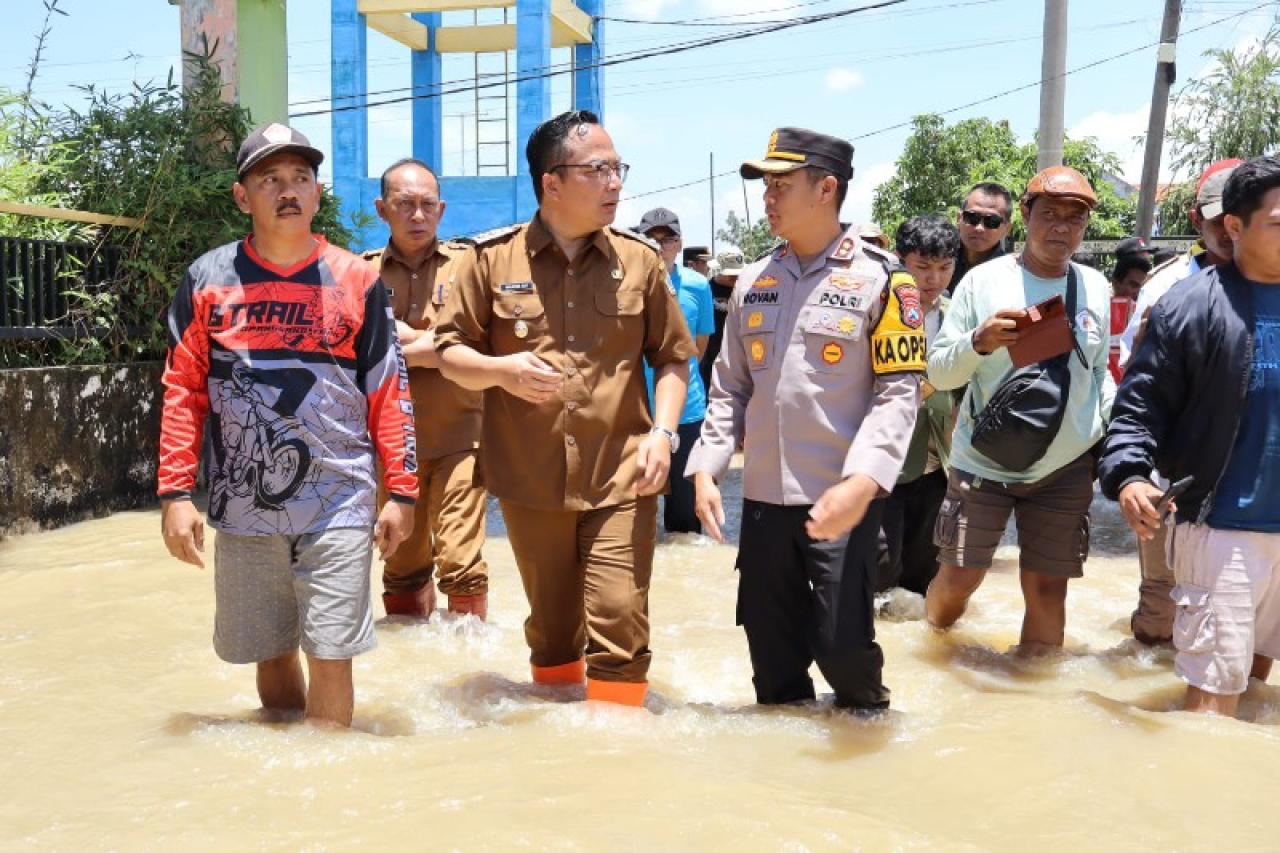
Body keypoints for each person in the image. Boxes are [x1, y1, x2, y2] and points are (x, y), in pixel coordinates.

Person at [157, 123, 417, 727]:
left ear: (317, 192)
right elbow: (182, 392)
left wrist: (401, 491)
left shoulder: (358, 280)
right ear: (242, 197)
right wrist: (174, 494)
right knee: (270, 653)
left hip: (341, 500)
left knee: (332, 654)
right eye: (270, 178)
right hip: (243, 503)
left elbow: (388, 391)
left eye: (300, 177)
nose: (288, 190)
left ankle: (326, 788)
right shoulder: (206, 280)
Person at [434, 110, 695, 707]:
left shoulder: (640, 262)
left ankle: (619, 753)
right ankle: (564, 767)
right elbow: (449, 353)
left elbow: (675, 358)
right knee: (551, 636)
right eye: (598, 169)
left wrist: (662, 431)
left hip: (623, 472)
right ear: (552, 182)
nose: (615, 183)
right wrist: (502, 371)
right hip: (531, 478)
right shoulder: (489, 260)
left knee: (619, 619)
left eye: (617, 168)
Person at [686, 126, 924, 711]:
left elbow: (900, 394)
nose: (767, 196)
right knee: (773, 664)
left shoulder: (885, 282)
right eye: (766, 184)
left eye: (781, 184)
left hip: (841, 501)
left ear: (826, 189)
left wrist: (864, 483)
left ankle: (869, 749)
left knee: (844, 650)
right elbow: (729, 387)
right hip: (765, 506)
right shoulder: (752, 280)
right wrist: (707, 468)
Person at [1099, 155, 1280, 718]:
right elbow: (1139, 407)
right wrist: (1128, 475)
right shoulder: (1189, 306)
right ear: (1234, 227)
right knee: (1211, 710)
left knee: (1254, 682)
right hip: (1220, 526)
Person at [926, 166, 1115, 651]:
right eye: (1049, 214)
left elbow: (1098, 373)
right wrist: (979, 341)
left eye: (1074, 218)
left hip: (1066, 466)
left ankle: (1034, 698)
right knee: (958, 581)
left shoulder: (1095, 286)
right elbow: (942, 374)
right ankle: (931, 651)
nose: (1061, 227)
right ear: (1025, 217)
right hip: (984, 461)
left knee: (1050, 591)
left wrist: (1116, 438)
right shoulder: (982, 283)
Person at [1116, 158, 1241, 645]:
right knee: (1162, 591)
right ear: (1197, 221)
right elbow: (1133, 387)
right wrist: (1136, 472)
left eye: (1240, 218)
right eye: (1219, 221)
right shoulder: (1168, 290)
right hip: (1173, 466)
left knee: (1248, 602)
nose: (1230, 232)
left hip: (1247, 475)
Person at [362, 158, 489, 620]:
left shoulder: (471, 265)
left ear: (441, 209)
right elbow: (360, 352)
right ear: (382, 209)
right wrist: (439, 345)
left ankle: (467, 672)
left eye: (427, 206)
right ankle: (411, 664)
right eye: (404, 205)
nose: (417, 216)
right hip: (391, 444)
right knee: (400, 562)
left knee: (461, 562)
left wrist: (399, 340)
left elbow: (481, 341)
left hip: (462, 436)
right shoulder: (362, 275)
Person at [876, 215, 960, 596]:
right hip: (883, 461)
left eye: (944, 268)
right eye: (922, 267)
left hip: (937, 462)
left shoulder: (959, 314)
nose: (934, 280)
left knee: (920, 579)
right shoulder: (877, 308)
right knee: (879, 567)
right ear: (899, 261)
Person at [637, 207, 714, 534]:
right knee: (633, 518)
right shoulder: (624, 285)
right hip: (635, 415)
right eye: (650, 240)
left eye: (667, 239)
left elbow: (699, 348)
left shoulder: (698, 285)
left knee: (684, 524)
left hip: (687, 413)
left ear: (680, 244)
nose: (659, 246)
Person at [948, 181, 1012, 293]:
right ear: (959, 219)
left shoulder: (1011, 276)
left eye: (992, 221)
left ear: (1007, 229)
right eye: (972, 217)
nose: (979, 228)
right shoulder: (936, 259)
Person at [702, 248, 743, 392]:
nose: (734, 279)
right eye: (731, 275)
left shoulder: (744, 292)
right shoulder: (705, 290)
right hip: (708, 360)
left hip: (737, 359)